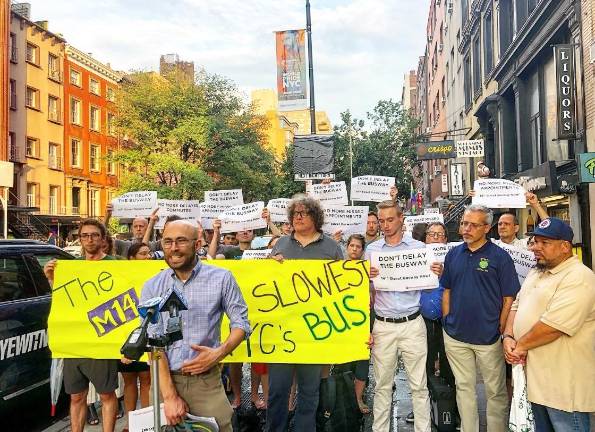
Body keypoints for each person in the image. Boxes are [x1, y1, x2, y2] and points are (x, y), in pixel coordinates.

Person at [140, 220, 250, 431]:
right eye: (168, 242)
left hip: (206, 383)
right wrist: (170, 395)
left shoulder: (221, 278)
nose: (173, 248)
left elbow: (241, 323)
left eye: (181, 241)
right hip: (164, 381)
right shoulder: (153, 285)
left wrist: (219, 353)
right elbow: (153, 343)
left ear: (197, 244)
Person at [503, 218, 595, 432]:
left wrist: (519, 346)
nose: (536, 247)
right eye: (535, 242)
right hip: (535, 384)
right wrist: (508, 336)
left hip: (562, 389)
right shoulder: (537, 271)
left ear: (565, 247)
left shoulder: (579, 277)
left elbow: (553, 326)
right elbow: (516, 304)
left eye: (544, 243)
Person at [266, 194, 343, 432]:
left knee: (309, 393)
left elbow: (343, 287)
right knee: (278, 391)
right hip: (283, 333)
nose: (298, 217)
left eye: (304, 213)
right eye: (294, 214)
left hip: (314, 331)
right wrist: (269, 267)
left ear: (316, 217)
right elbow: (265, 285)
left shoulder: (332, 247)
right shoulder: (280, 245)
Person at [440, 204, 520, 432]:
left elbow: (509, 298)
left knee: (495, 391)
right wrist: (447, 320)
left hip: (489, 338)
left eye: (473, 225)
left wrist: (501, 328)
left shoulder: (500, 257)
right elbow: (446, 290)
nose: (466, 228)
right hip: (456, 337)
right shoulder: (453, 253)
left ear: (487, 228)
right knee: (464, 388)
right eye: (464, 223)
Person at [367, 200, 439, 432]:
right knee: (382, 386)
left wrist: (436, 274)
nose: (385, 225)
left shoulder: (418, 248)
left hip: (412, 323)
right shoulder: (372, 250)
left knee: (419, 385)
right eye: (381, 221)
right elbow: (365, 293)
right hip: (383, 324)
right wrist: (366, 278)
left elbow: (428, 288)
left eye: (390, 220)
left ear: (401, 219)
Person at [44, 219, 119, 432]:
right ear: (80, 239)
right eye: (85, 235)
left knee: (106, 394)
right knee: (76, 396)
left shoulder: (115, 264)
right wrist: (52, 280)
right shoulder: (72, 267)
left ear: (103, 239)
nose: (89, 239)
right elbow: (64, 300)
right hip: (75, 342)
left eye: (94, 235)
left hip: (102, 340)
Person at [406, 222, 458, 426]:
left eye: (440, 234)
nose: (436, 237)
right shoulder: (414, 256)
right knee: (422, 365)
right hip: (423, 319)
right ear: (425, 238)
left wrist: (444, 272)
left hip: (448, 319)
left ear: (446, 238)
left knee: (449, 366)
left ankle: (451, 410)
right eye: (431, 234)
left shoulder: (454, 257)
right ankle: (421, 408)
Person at [119, 242, 152, 431]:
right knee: (129, 381)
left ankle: (145, 423)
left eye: (149, 254)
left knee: (146, 380)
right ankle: (131, 422)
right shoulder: (123, 275)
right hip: (125, 338)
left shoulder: (157, 274)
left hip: (146, 336)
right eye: (142, 254)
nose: (147, 257)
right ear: (132, 258)